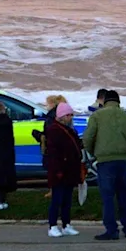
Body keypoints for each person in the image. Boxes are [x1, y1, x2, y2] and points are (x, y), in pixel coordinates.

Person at [83, 90, 126, 240]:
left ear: (105, 101)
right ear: (119, 101)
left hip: (105, 161)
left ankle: (111, 230)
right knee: (123, 195)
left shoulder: (97, 116)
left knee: (107, 197)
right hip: (123, 161)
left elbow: (87, 139)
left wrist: (95, 153)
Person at [44, 102, 82, 237]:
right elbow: (53, 154)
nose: (70, 117)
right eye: (68, 115)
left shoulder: (68, 130)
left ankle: (66, 224)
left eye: (71, 115)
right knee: (57, 199)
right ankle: (52, 226)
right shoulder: (54, 131)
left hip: (69, 171)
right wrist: (58, 171)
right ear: (61, 116)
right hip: (59, 172)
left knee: (67, 200)